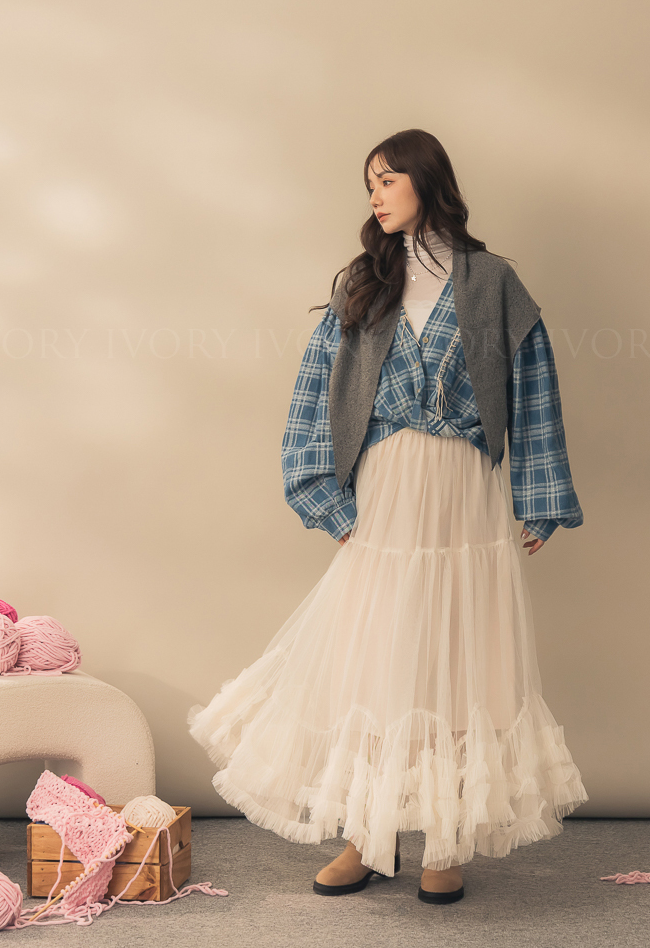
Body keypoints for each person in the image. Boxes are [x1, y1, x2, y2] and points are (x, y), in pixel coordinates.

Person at [189, 128, 588, 905]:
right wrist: (327, 498)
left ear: (426, 181)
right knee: (374, 656)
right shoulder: (366, 282)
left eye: (387, 179)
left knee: (462, 658)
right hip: (386, 493)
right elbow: (315, 389)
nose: (374, 195)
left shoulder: (493, 281)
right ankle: (367, 838)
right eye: (369, 183)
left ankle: (444, 837)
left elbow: (534, 385)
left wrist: (538, 499)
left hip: (464, 494)